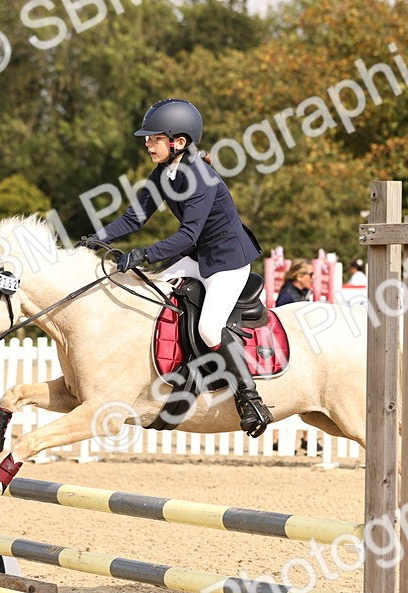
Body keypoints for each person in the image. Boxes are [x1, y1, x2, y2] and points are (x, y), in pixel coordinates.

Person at [87, 98, 271, 437]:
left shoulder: (200, 177)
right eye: (148, 138)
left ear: (179, 142)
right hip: (200, 257)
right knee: (152, 296)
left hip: (228, 263)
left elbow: (187, 236)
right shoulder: (163, 172)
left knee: (210, 329)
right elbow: (135, 217)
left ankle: (251, 400)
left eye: (155, 138)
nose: (147, 144)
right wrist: (95, 238)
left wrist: (142, 254)